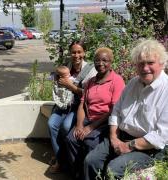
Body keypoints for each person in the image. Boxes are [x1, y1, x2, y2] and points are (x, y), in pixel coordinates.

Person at [84, 39, 168, 180]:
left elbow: (161, 135)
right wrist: (113, 137)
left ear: (162, 64)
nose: (145, 68)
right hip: (120, 136)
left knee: (114, 169)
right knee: (91, 161)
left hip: (148, 147)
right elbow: (116, 112)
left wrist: (129, 146)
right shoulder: (133, 83)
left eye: (150, 63)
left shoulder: (165, 90)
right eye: (141, 63)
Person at [65, 47, 125, 179]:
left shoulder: (117, 81)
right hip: (88, 119)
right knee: (71, 139)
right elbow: (82, 104)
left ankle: (93, 175)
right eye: (97, 60)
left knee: (90, 143)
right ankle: (77, 173)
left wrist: (90, 128)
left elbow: (114, 110)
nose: (101, 63)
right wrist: (80, 125)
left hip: (105, 122)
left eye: (105, 60)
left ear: (111, 62)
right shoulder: (90, 81)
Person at [47, 40, 97, 173]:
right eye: (73, 52)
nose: (76, 55)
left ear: (84, 53)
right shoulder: (66, 67)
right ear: (70, 53)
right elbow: (54, 80)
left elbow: (88, 94)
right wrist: (56, 80)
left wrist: (71, 86)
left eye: (79, 52)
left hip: (78, 106)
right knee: (52, 124)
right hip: (63, 104)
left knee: (66, 126)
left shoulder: (90, 70)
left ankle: (63, 159)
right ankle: (60, 159)